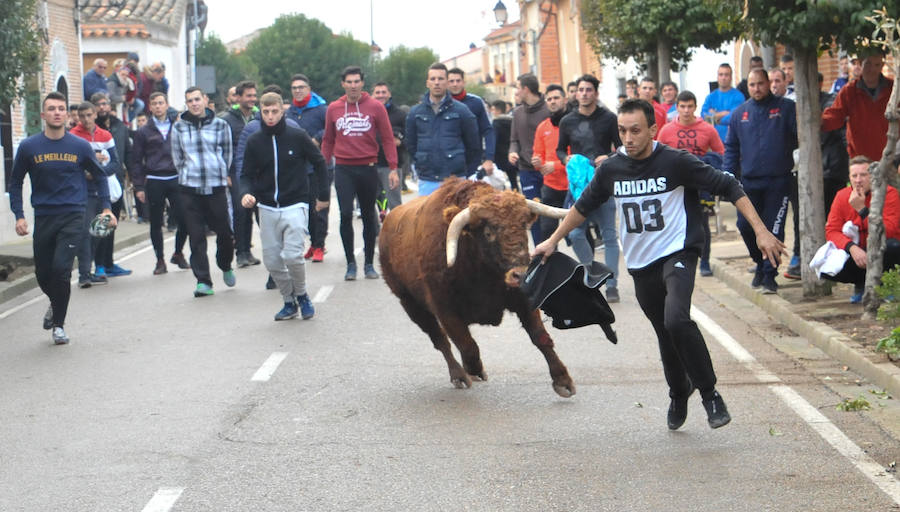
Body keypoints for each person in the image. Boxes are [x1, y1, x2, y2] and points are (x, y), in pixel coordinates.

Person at [534, 98, 785, 430]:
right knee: (665, 333)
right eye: (622, 131)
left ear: (653, 130)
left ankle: (710, 395)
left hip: (678, 251)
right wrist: (552, 240)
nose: (628, 138)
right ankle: (679, 392)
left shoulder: (676, 162)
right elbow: (582, 205)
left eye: (636, 130)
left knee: (677, 319)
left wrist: (762, 231)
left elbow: (728, 184)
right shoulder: (611, 169)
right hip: (641, 263)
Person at [8, 91, 116, 345]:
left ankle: (59, 325)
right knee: (43, 274)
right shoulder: (29, 147)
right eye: (52, 108)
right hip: (44, 216)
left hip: (73, 214)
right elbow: (15, 183)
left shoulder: (79, 146)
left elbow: (100, 176)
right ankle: (55, 302)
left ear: (67, 115)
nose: (57, 112)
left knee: (61, 269)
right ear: (43, 115)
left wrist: (106, 208)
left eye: (61, 108)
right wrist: (19, 216)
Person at [241, 92, 330, 320]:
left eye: (274, 112)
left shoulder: (297, 136)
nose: (270, 117)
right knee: (272, 261)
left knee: (292, 256)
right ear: (260, 112)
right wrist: (247, 194)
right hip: (267, 207)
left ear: (282, 111)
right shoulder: (254, 141)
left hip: (295, 204)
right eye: (265, 112)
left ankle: (302, 295)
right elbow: (246, 175)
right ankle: (288, 300)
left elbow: (320, 163)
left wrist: (322, 196)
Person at [321, 66, 399, 281]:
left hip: (368, 167)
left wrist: (393, 167)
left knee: (368, 216)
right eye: (349, 82)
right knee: (345, 214)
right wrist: (322, 165)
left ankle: (368, 264)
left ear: (362, 83)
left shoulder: (375, 107)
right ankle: (350, 264)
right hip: (344, 168)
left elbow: (387, 137)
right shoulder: (334, 109)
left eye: (357, 81)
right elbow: (328, 140)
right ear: (343, 84)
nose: (353, 85)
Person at [724, 69, 798, 294]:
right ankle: (759, 262)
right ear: (748, 87)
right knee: (745, 226)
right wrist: (727, 178)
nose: (757, 88)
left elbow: (799, 137)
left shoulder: (786, 108)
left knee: (773, 228)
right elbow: (731, 149)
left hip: (779, 181)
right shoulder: (739, 114)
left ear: (768, 84)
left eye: (761, 84)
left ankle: (769, 275)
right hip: (749, 183)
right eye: (752, 84)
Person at [556, 73, 622, 302]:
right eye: (580, 90)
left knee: (610, 236)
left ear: (595, 93)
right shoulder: (567, 121)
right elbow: (560, 150)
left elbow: (622, 148)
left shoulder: (609, 118)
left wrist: (610, 157)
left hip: (604, 183)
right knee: (574, 233)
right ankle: (591, 273)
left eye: (588, 90)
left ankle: (612, 285)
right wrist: (567, 160)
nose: (584, 94)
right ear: (576, 93)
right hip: (578, 188)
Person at [171, 86, 236, 297]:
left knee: (225, 233)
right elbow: (177, 157)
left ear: (205, 100)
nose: (194, 104)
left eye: (197, 99)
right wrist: (188, 173)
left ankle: (225, 264)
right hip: (190, 188)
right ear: (186, 104)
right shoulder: (179, 128)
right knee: (196, 236)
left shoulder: (221, 125)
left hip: (216, 186)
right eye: (190, 101)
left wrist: (219, 171)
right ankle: (203, 281)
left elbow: (227, 154)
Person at [658, 90, 725, 277]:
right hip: (674, 187)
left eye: (690, 106)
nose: (686, 110)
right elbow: (656, 156)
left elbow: (720, 154)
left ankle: (704, 262)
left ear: (695, 107)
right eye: (682, 106)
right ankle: (675, 261)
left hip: (699, 187)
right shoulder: (666, 130)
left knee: (702, 225)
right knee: (673, 226)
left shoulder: (707, 129)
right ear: (677, 108)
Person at [822, 156, 900, 303]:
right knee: (825, 265)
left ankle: (887, 285)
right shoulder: (842, 196)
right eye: (854, 176)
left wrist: (862, 209)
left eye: (864, 175)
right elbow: (832, 231)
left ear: (873, 176)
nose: (858, 180)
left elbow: (888, 230)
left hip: (883, 248)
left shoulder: (889, 193)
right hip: (857, 249)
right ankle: (861, 284)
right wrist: (851, 247)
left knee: (893, 247)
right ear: (849, 177)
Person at [131, 91, 190, 274]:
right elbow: (136, 160)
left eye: (161, 103)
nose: (158, 106)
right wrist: (139, 186)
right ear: (150, 107)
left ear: (167, 105)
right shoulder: (143, 131)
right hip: (155, 179)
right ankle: (160, 260)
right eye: (154, 103)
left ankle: (178, 252)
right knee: (156, 222)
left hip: (176, 178)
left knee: (185, 219)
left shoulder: (178, 127)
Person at [405, 63, 479, 197]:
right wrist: (421, 161)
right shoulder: (415, 113)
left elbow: (473, 145)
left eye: (440, 79)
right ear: (427, 83)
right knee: (427, 218)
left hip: (456, 179)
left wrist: (462, 169)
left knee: (455, 217)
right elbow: (410, 144)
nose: (436, 83)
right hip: (427, 179)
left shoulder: (462, 111)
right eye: (433, 79)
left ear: (447, 82)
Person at [70, 101, 120, 286]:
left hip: (102, 188)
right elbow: (71, 165)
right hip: (84, 190)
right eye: (81, 116)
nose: (85, 119)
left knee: (100, 230)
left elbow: (115, 162)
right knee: (85, 231)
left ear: (95, 115)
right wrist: (87, 171)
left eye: (89, 115)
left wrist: (99, 172)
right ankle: (83, 275)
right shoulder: (73, 136)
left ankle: (90, 269)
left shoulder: (105, 135)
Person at [287, 74, 331, 263]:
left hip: (318, 167)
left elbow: (331, 127)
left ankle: (320, 245)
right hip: (298, 169)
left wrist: (317, 138)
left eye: (301, 87)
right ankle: (313, 244)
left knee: (319, 208)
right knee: (304, 211)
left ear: (309, 88)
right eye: (294, 88)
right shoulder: (289, 112)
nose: (298, 90)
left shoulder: (321, 109)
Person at [822, 52, 894, 162]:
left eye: (877, 65)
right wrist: (818, 121)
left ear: (883, 65)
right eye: (868, 64)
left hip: (890, 157)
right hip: (859, 159)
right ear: (860, 63)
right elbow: (835, 116)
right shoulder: (849, 91)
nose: (872, 69)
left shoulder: (894, 89)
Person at [91, 92, 132, 278]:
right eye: (98, 105)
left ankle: (109, 263)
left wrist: (133, 177)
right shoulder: (91, 129)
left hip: (116, 181)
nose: (102, 107)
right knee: (101, 225)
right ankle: (98, 264)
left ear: (110, 106)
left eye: (105, 104)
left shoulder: (120, 127)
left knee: (112, 224)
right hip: (97, 184)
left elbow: (127, 153)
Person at [220, 80, 261, 268]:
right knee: (240, 211)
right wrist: (226, 173)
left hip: (257, 171)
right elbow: (221, 148)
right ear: (238, 98)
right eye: (248, 96)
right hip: (236, 171)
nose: (252, 99)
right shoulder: (227, 119)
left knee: (252, 209)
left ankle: (248, 251)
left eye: (254, 95)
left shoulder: (258, 116)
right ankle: (240, 252)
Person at [508, 72, 550, 241]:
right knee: (532, 213)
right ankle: (541, 256)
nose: (516, 92)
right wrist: (512, 151)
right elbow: (514, 139)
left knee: (549, 213)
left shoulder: (548, 110)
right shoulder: (517, 113)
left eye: (518, 88)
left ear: (526, 89)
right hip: (526, 170)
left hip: (547, 171)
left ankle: (552, 248)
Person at [531, 84, 569, 242]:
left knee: (576, 235)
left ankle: (586, 266)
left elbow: (580, 156)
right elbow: (537, 155)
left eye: (556, 98)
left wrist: (555, 165)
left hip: (571, 187)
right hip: (550, 187)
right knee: (546, 232)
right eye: (549, 99)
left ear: (565, 100)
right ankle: (549, 266)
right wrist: (537, 162)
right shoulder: (542, 127)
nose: (552, 101)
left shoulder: (573, 123)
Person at [447, 68, 496, 177]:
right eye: (451, 81)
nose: (455, 84)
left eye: (458, 81)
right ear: (446, 83)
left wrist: (489, 159)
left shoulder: (476, 102)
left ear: (464, 82)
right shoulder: (441, 105)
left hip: (473, 162)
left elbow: (488, 131)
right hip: (448, 163)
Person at [372, 81, 406, 212]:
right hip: (370, 164)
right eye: (377, 92)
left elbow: (410, 139)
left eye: (383, 92)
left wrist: (400, 142)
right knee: (370, 204)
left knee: (395, 205)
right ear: (372, 95)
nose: (381, 95)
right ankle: (373, 231)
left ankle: (397, 232)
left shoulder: (400, 115)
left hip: (391, 167)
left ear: (389, 94)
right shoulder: (367, 113)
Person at [700, 63, 745, 143]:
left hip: (732, 141)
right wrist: (723, 114)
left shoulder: (738, 96)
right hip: (712, 142)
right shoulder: (710, 97)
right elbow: (704, 116)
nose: (723, 78)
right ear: (717, 77)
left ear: (731, 77)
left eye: (726, 75)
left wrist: (714, 116)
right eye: (721, 75)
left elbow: (734, 117)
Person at [490, 99, 517, 191]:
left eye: (493, 109)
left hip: (498, 156)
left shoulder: (495, 123)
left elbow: (494, 140)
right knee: (514, 182)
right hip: (511, 154)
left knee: (498, 182)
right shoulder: (512, 121)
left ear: (497, 110)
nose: (492, 112)